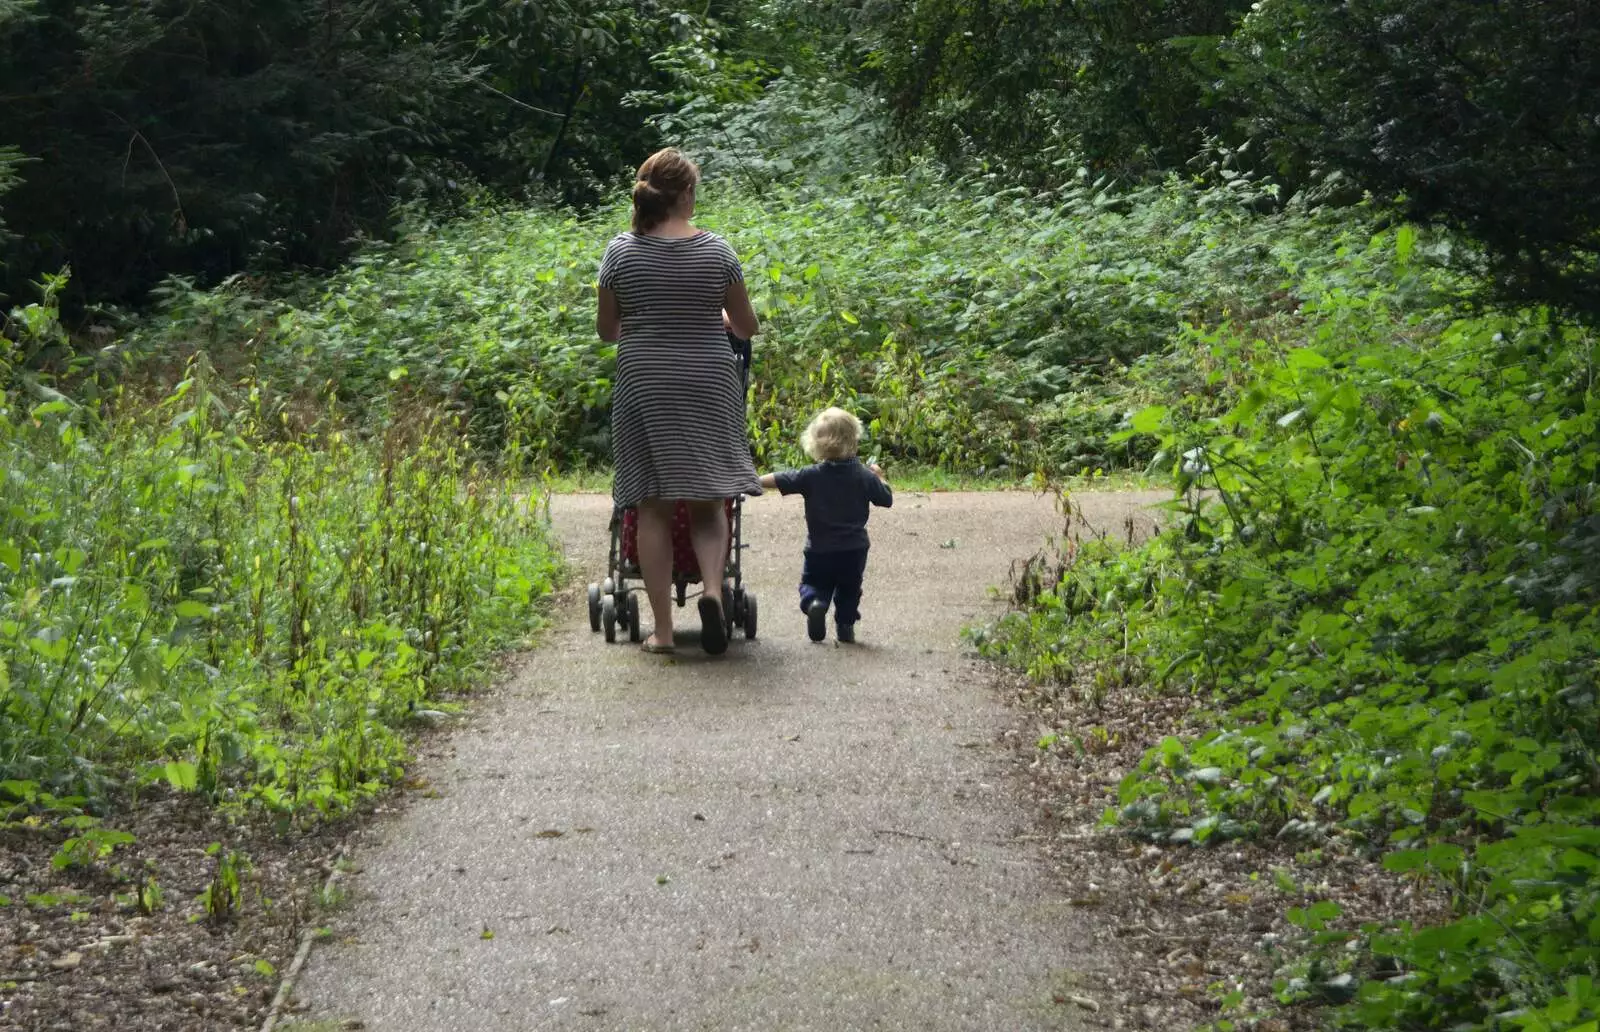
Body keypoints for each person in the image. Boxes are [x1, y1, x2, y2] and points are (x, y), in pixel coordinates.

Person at [596, 148, 761, 655]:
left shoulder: (620, 253)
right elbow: (747, 325)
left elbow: (607, 331)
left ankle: (664, 633)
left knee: (653, 506)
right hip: (709, 381)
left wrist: (651, 324)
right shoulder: (718, 252)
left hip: (645, 382)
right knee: (711, 501)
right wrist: (718, 322)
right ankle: (713, 591)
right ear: (686, 194)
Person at [758, 407, 893, 643]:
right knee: (850, 590)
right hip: (854, 550)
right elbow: (886, 499)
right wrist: (880, 477)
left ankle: (815, 603)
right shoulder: (864, 476)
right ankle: (845, 627)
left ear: (816, 444)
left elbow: (779, 478)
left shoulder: (810, 475)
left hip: (820, 548)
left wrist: (749, 481)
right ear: (853, 440)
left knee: (813, 583)